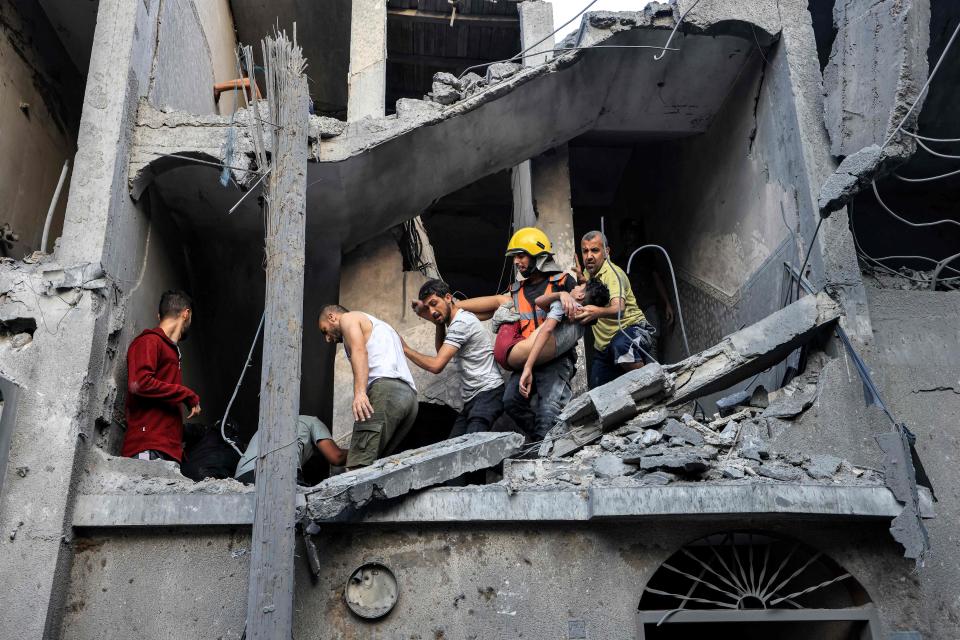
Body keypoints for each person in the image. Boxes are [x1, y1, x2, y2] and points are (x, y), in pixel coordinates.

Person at [457, 227, 578, 441]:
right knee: (511, 402)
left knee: (549, 409)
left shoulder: (563, 282)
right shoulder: (516, 290)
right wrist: (453, 307)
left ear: (537, 256)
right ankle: (542, 442)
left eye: (521, 256)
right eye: (515, 257)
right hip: (525, 362)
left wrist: (572, 291)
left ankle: (547, 453)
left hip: (555, 359)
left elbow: (585, 309)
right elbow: (488, 305)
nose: (516, 262)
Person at [319, 304, 419, 468]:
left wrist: (360, 393)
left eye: (324, 331)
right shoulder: (384, 327)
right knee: (377, 466)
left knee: (358, 466)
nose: (327, 339)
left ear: (332, 317)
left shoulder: (348, 318)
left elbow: (359, 350)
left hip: (385, 393)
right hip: (409, 399)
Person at [405, 279, 505, 438]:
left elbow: (437, 365)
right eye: (428, 307)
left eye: (434, 303)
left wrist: (404, 348)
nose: (431, 311)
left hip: (488, 394)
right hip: (473, 399)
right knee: (452, 448)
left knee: (470, 451)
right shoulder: (452, 323)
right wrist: (437, 321)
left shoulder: (461, 323)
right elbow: (441, 351)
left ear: (448, 297)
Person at [121, 290, 201, 467]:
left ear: (159, 315)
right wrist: (186, 394)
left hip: (167, 451)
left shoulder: (171, 350)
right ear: (186, 314)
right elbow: (139, 384)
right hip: (148, 448)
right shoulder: (149, 341)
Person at [568, 231, 656, 389]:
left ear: (606, 252)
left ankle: (652, 391)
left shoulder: (613, 274)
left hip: (634, 331)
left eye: (595, 250)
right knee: (596, 391)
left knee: (621, 347)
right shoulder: (589, 273)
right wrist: (583, 280)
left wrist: (595, 312)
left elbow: (619, 308)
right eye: (585, 251)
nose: (589, 256)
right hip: (604, 347)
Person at [519, 279, 610, 398]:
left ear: (580, 295)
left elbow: (540, 307)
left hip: (528, 354)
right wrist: (562, 294)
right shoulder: (584, 321)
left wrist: (562, 295)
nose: (574, 287)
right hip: (542, 356)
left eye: (579, 286)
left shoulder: (566, 306)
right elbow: (539, 301)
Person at [616, 219, 675, 361]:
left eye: (632, 233)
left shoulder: (646, 254)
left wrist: (667, 303)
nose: (629, 237)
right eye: (626, 234)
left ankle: (656, 374)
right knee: (632, 345)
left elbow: (656, 278)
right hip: (630, 310)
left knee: (653, 340)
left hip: (648, 304)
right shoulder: (620, 262)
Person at [234, 415, 346, 484]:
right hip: (279, 472)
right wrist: (360, 454)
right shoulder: (313, 422)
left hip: (241, 477)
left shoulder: (269, 426)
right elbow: (336, 456)